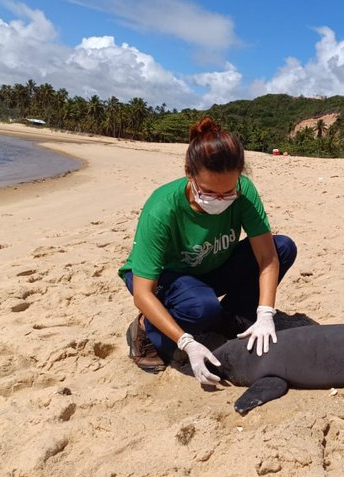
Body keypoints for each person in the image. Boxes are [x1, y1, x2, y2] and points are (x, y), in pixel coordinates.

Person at [118, 116, 297, 384]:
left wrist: (265, 314)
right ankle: (145, 329)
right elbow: (143, 292)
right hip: (165, 276)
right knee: (200, 308)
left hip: (212, 264)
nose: (221, 200)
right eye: (211, 192)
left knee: (283, 247)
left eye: (228, 192)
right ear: (189, 174)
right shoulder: (162, 209)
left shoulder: (243, 192)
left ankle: (231, 318)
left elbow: (267, 256)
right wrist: (186, 342)